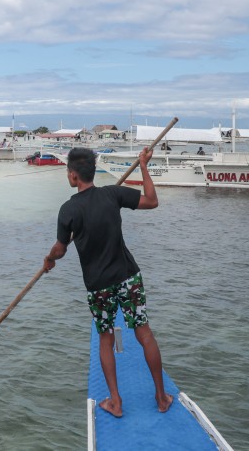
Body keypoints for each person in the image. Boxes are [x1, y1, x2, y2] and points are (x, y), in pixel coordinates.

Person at [43, 146, 173, 418]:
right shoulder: (112, 194)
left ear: (74, 176)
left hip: (99, 286)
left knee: (105, 339)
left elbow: (61, 247)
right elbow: (152, 201)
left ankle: (115, 402)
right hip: (129, 277)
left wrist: (49, 260)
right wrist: (143, 166)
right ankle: (161, 398)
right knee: (144, 333)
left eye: (69, 172)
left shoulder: (69, 209)